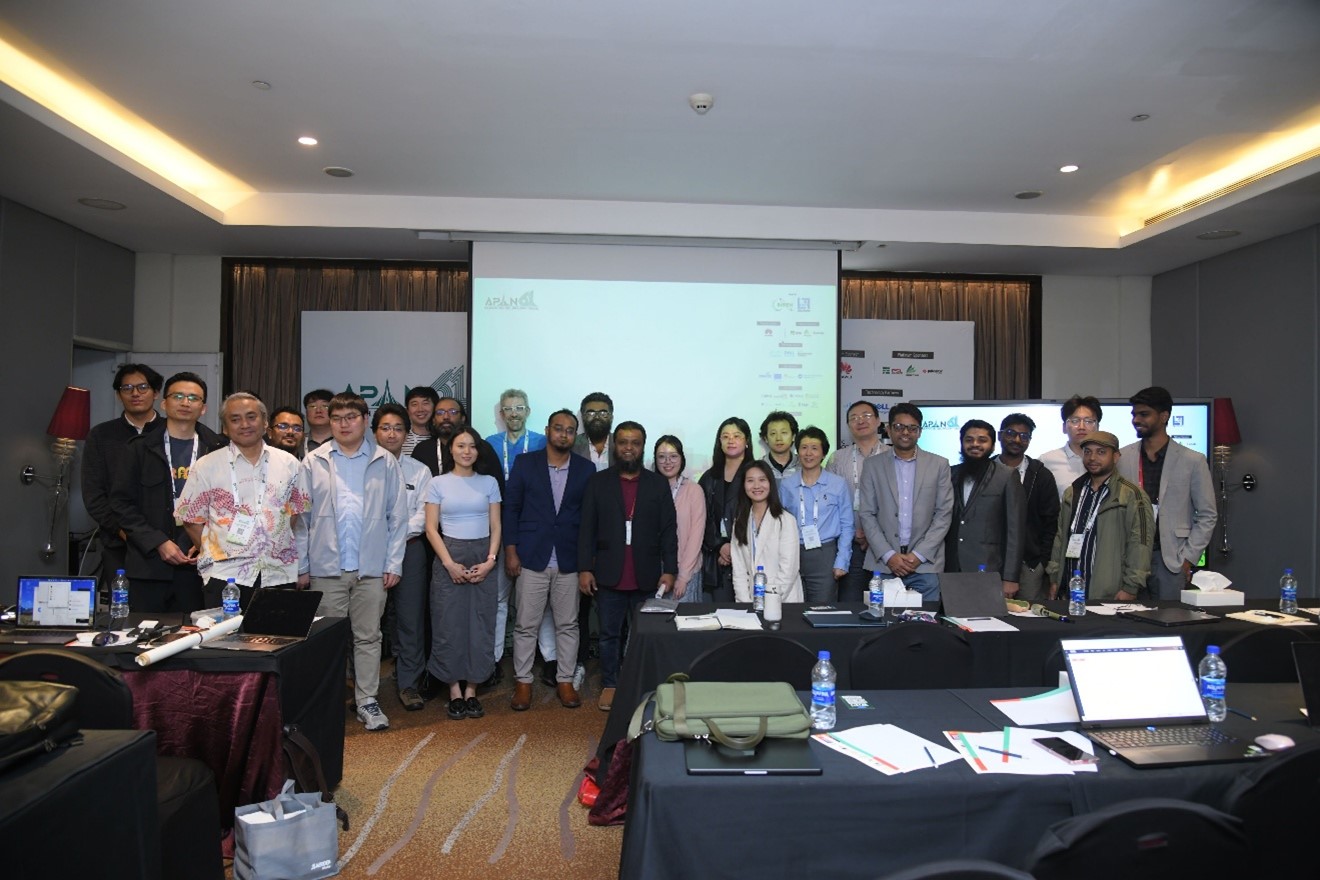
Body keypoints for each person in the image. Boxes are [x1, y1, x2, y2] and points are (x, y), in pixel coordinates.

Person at [297, 393, 408, 732]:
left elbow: (398, 517)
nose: (344, 424)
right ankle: (327, 701)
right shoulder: (313, 461)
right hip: (325, 568)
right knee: (326, 639)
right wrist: (302, 566)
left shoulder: (384, 461)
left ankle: (367, 701)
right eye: (337, 418)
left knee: (368, 637)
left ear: (364, 420)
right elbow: (301, 519)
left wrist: (393, 563)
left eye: (351, 417)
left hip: (371, 568)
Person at [577, 421, 677, 712]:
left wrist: (670, 569)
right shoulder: (598, 482)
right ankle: (611, 683)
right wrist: (584, 568)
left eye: (635, 442)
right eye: (623, 442)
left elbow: (669, 531)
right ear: (615, 446)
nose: (628, 448)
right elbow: (586, 529)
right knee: (609, 635)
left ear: (643, 447)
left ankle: (643, 684)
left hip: (647, 574)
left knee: (645, 635)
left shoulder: (657, 483)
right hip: (609, 573)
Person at [177, 392, 310, 610]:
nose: (245, 425)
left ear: (265, 422)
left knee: (277, 632)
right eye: (235, 419)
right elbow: (191, 519)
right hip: (225, 575)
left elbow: (294, 513)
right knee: (226, 633)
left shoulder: (290, 464)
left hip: (278, 573)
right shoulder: (206, 465)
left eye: (251, 417)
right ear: (225, 428)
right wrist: (217, 550)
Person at [110, 372, 225, 613]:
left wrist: (202, 541)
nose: (185, 403)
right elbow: (121, 504)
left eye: (193, 398)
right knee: (143, 631)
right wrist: (158, 542)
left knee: (197, 632)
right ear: (164, 403)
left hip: (200, 566)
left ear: (203, 408)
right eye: (178, 396)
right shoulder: (138, 449)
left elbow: (228, 505)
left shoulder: (219, 450)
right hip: (149, 565)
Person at [503, 409, 594, 710]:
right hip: (531, 557)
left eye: (569, 430)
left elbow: (589, 521)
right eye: (558, 428)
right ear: (547, 430)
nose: (563, 434)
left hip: (569, 559)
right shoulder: (525, 463)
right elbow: (511, 509)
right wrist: (511, 550)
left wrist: (586, 563)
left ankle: (565, 680)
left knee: (568, 624)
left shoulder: (585, 469)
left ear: (574, 435)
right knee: (525, 625)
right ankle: (523, 682)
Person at [425, 426, 503, 721]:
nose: (466, 451)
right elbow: (431, 529)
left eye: (471, 446)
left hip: (483, 555)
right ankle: (454, 691)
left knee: (481, 624)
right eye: (460, 445)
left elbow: (496, 525)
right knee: (448, 624)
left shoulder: (489, 482)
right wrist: (448, 563)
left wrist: (490, 561)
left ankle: (472, 690)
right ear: (451, 450)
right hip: (449, 555)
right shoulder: (438, 483)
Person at [1117, 386, 1217, 599]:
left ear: (1164, 416)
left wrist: (1188, 558)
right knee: (1127, 617)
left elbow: (1207, 514)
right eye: (1134, 414)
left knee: (1170, 615)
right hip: (1130, 558)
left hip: (1170, 559)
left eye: (1144, 414)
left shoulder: (1193, 460)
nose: (1136, 420)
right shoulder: (1123, 457)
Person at [371, 403, 434, 712]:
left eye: (398, 428)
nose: (391, 434)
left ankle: (409, 683)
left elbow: (423, 515)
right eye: (385, 427)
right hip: (370, 551)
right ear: (374, 432)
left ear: (407, 434)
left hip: (410, 549)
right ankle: (364, 687)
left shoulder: (419, 471)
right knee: (369, 621)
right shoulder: (363, 468)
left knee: (411, 618)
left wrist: (394, 533)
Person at [483, 387, 548, 685]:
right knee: (498, 599)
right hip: (498, 525)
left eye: (519, 408)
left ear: (528, 411)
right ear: (501, 413)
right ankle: (494, 660)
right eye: (508, 409)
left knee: (540, 600)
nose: (513, 414)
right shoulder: (490, 444)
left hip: (534, 528)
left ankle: (549, 658)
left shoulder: (541, 442)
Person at [857, 403, 954, 600]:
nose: (905, 433)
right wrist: (888, 555)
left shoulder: (939, 465)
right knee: (882, 618)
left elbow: (943, 514)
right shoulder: (872, 465)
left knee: (926, 620)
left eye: (912, 428)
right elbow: (867, 513)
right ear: (889, 429)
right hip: (883, 564)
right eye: (899, 427)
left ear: (920, 432)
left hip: (926, 565)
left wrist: (918, 555)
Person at [1047, 431, 1154, 602]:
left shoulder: (1132, 495)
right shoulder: (1072, 492)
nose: (1092, 458)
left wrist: (1131, 587)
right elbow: (1060, 538)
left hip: (1110, 592)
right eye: (1087, 452)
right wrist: (1055, 578)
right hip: (1070, 590)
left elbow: (1140, 544)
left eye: (1101, 452)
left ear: (1116, 457)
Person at [83, 363, 165, 583]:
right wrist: (124, 532)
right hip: (119, 543)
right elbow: (94, 495)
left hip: (168, 543)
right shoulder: (101, 435)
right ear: (119, 395)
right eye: (127, 388)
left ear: (156, 392)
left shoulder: (171, 431)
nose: (135, 393)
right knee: (123, 602)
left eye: (142, 387)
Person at [943, 420, 1024, 597]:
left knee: (987, 615)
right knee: (952, 614)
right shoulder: (950, 473)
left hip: (989, 567)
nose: (975, 444)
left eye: (982, 440)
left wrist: (1010, 577)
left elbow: (1015, 531)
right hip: (951, 567)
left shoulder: (1006, 475)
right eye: (969, 440)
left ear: (993, 446)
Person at [778, 426, 852, 602]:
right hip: (793, 553)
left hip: (825, 554)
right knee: (792, 607)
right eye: (804, 447)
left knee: (821, 609)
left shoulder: (838, 484)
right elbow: (779, 524)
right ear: (797, 452)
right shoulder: (787, 485)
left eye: (814, 448)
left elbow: (847, 525)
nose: (808, 453)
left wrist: (842, 561)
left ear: (823, 453)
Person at [993, 413, 1059, 602]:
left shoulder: (1041, 475)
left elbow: (1051, 521)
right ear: (1000, 435)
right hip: (992, 560)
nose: (1017, 440)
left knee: (1027, 613)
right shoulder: (986, 470)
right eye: (1011, 433)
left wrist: (1042, 561)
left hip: (1030, 562)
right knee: (990, 611)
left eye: (1024, 436)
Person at [826, 400, 888, 601]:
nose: (860, 421)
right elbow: (829, 502)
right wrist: (853, 533)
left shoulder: (891, 455)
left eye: (866, 416)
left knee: (885, 604)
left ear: (878, 421)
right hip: (849, 544)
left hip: (886, 545)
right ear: (848, 425)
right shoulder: (837, 459)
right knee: (849, 603)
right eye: (854, 418)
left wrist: (873, 535)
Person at [731, 460, 804, 603]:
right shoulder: (740, 521)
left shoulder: (785, 520)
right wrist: (745, 602)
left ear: (770, 483)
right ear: (743, 485)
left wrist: (770, 601)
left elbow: (788, 569)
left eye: (762, 480)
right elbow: (739, 569)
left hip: (783, 600)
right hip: (750, 601)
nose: (756, 486)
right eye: (750, 481)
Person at [698, 417, 755, 601]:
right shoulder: (709, 477)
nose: (731, 440)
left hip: (749, 556)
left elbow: (760, 515)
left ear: (746, 441)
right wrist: (720, 545)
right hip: (717, 558)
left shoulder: (756, 475)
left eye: (737, 436)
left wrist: (734, 548)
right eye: (725, 436)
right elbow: (702, 518)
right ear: (719, 442)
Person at [653, 435, 706, 603]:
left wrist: (683, 576)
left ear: (682, 459)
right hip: (654, 572)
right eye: (662, 457)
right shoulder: (649, 489)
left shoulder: (694, 490)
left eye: (673, 456)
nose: (667, 462)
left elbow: (696, 536)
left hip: (686, 571)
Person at [1038, 395, 1103, 500]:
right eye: (1075, 421)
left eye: (1088, 421)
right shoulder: (1046, 461)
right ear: (1064, 427)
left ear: (1098, 427)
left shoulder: (1108, 461)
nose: (1081, 427)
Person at [411, 395, 467, 476]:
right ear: (433, 420)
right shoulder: (422, 450)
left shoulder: (478, 447)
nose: (446, 417)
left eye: (453, 412)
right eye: (440, 413)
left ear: (462, 419)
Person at [573, 391, 614, 470]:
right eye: (591, 413)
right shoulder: (573, 445)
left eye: (603, 413)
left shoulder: (620, 444)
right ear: (583, 417)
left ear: (611, 417)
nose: (597, 417)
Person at [759, 410, 799, 481]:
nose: (778, 438)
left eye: (784, 432)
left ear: (793, 436)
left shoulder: (803, 465)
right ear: (766, 438)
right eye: (773, 433)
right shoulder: (758, 467)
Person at [403, 386, 439, 457]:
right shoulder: (399, 438)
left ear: (435, 407)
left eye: (425, 403)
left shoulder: (442, 438)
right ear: (407, 410)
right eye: (414, 404)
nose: (420, 409)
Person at [302, 389, 334, 454]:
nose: (318, 411)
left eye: (325, 406)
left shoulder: (344, 442)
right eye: (312, 406)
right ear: (306, 412)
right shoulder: (297, 442)